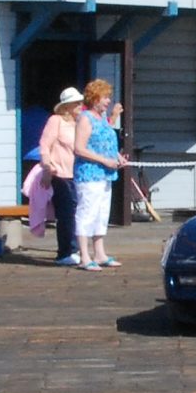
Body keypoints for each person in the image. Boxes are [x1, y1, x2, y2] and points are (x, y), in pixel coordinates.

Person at [71, 80, 127, 270]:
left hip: (105, 175)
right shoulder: (85, 118)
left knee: (102, 213)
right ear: (94, 98)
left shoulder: (102, 118)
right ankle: (84, 256)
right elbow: (79, 148)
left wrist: (118, 157)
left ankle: (100, 253)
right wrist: (104, 160)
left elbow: (107, 144)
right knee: (87, 213)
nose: (108, 101)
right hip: (89, 174)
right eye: (105, 97)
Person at [37, 87, 83, 266]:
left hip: (78, 174)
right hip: (60, 174)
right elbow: (44, 146)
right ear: (67, 106)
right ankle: (66, 251)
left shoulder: (79, 123)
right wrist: (47, 169)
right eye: (77, 103)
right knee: (67, 214)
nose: (80, 105)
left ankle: (77, 248)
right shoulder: (55, 120)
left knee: (77, 213)